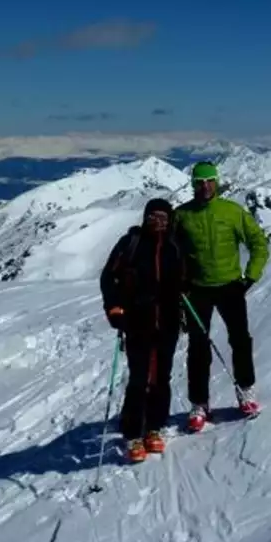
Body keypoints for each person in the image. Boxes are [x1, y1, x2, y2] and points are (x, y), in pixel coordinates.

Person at [173, 161, 270, 432]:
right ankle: (199, 403)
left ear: (217, 181)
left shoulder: (232, 212)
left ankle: (246, 391)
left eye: (209, 181)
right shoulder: (181, 216)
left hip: (230, 286)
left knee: (240, 340)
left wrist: (249, 277)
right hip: (196, 289)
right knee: (198, 346)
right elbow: (169, 251)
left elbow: (258, 244)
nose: (205, 186)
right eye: (199, 182)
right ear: (192, 184)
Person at [99, 198, 188, 462]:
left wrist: (185, 294)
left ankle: (154, 428)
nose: (158, 222)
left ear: (169, 220)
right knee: (139, 378)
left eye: (163, 217)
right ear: (145, 218)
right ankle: (133, 433)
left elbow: (186, 277)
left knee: (161, 377)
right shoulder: (131, 244)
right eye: (153, 217)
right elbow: (108, 277)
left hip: (169, 321)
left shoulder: (175, 246)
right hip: (137, 320)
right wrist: (114, 308)